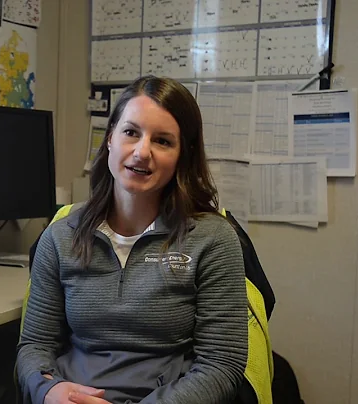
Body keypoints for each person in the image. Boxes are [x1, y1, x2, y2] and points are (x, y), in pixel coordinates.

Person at [17, 76, 248, 404]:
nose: (142, 153)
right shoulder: (60, 236)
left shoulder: (212, 239)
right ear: (110, 138)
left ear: (183, 154)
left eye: (163, 141)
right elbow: (34, 346)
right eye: (131, 133)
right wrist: (47, 390)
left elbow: (222, 364)